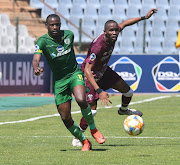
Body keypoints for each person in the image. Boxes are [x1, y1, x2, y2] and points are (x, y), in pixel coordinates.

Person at [72, 8, 158, 146]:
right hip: (90, 76)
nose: (114, 32)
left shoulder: (115, 32)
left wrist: (144, 17)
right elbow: (87, 70)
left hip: (103, 71)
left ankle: (123, 110)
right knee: (92, 111)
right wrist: (99, 91)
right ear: (105, 32)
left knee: (128, 91)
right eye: (111, 30)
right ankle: (77, 137)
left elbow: (125, 23)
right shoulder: (98, 46)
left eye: (115, 30)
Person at [32, 14, 105, 151]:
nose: (55, 27)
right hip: (60, 81)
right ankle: (84, 141)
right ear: (47, 26)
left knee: (81, 99)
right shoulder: (42, 41)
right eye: (52, 25)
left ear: (60, 25)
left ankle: (94, 130)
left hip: (74, 74)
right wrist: (36, 68)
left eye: (57, 24)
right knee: (65, 117)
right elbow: (36, 58)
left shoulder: (69, 35)